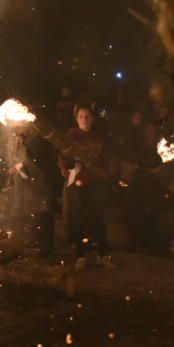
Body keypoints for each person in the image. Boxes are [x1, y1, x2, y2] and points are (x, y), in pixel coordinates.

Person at [59, 106, 116, 269]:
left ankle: (102, 255)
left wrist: (106, 174)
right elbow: (62, 157)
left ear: (92, 119)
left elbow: (106, 158)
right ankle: (80, 256)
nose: (84, 119)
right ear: (77, 119)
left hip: (97, 183)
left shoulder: (99, 137)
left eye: (87, 116)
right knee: (78, 219)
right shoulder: (71, 136)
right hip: (77, 183)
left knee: (99, 219)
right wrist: (66, 168)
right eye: (81, 116)